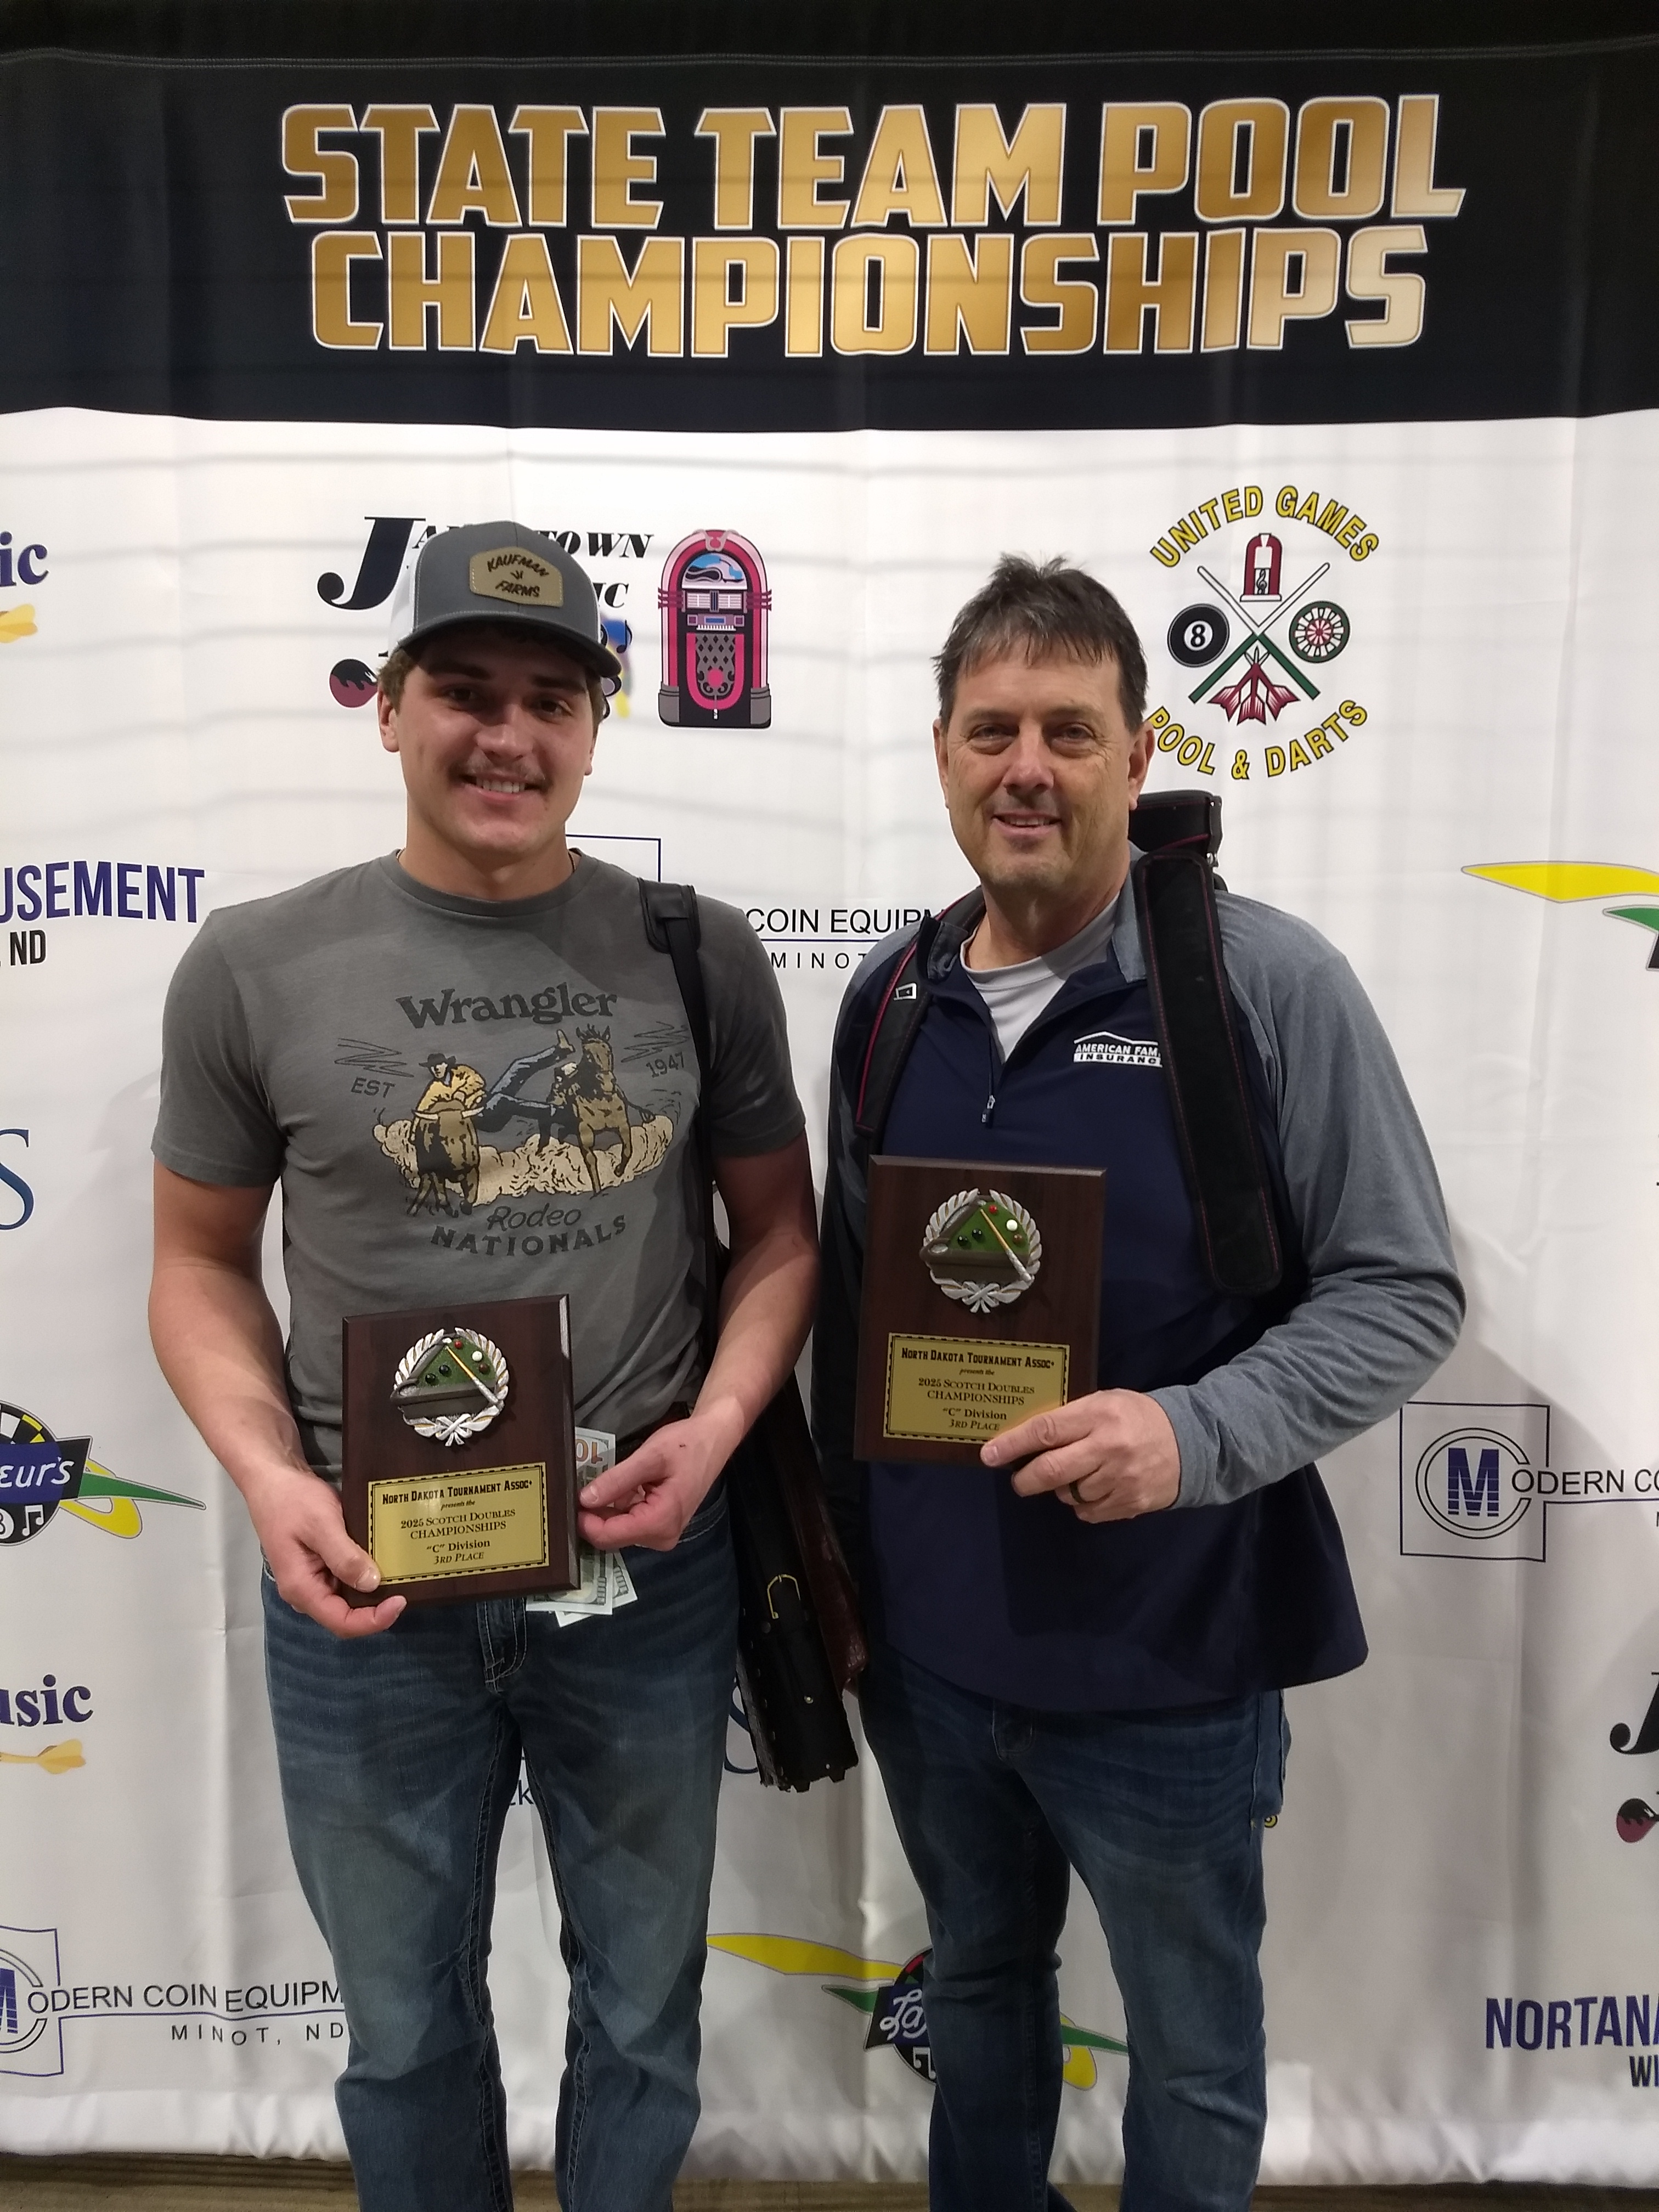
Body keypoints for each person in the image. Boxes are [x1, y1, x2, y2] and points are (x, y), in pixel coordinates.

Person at [148, 522, 817, 2212]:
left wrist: (720, 1428)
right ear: (387, 707)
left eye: (549, 700)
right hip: (369, 1587)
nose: (507, 735)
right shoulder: (252, 967)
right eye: (465, 690)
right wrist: (272, 1481)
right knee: (399, 2029)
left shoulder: (696, 951)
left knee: (645, 2011)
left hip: (641, 1575)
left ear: (595, 730)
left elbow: (780, 1239)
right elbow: (198, 1266)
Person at [813, 556, 1463, 2212]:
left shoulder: (1264, 985)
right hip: (933, 1658)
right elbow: (851, 1314)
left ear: (1138, 750)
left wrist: (1191, 1431)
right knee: (976, 1986)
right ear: (942, 753)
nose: (1026, 767)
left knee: (1191, 2049)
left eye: (1070, 731)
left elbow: (1403, 1287)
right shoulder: (889, 1002)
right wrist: (836, 1570)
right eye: (991, 730)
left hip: (1169, 1658)